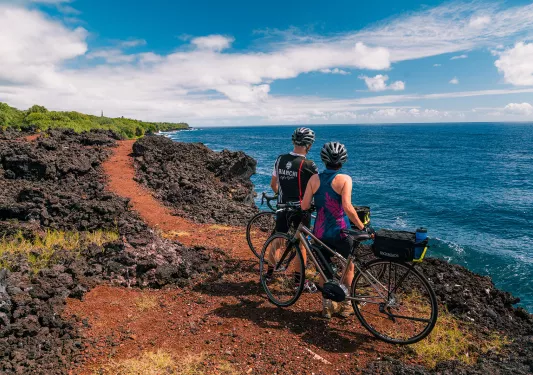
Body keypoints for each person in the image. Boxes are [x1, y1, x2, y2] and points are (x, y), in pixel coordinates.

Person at [301, 141, 366, 319]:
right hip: (342, 231)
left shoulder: (314, 179)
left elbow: (305, 205)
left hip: (320, 232)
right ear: (342, 161)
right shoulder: (345, 179)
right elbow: (348, 207)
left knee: (324, 268)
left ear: (324, 160)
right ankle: (346, 305)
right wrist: (363, 227)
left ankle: (327, 307)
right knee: (348, 266)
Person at [268, 127, 318, 281]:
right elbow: (317, 189)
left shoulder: (280, 159)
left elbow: (273, 185)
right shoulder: (309, 165)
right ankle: (298, 280)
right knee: (301, 244)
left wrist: (281, 196)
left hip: (282, 207)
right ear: (309, 145)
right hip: (301, 210)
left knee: (278, 239)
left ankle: (269, 275)